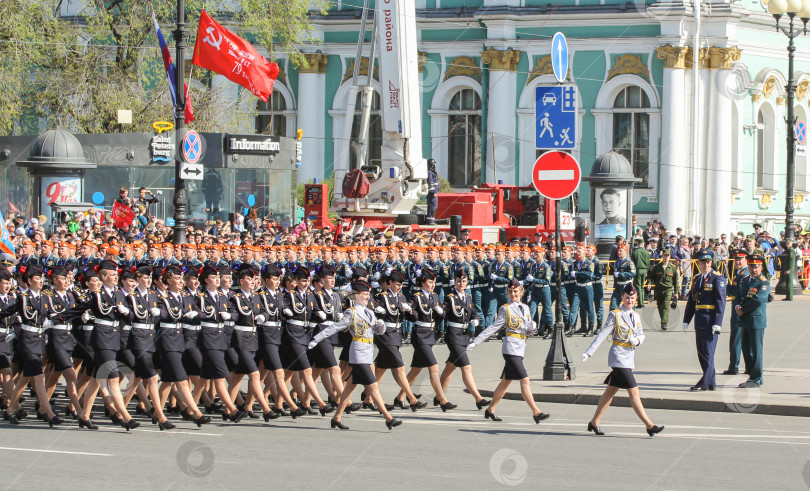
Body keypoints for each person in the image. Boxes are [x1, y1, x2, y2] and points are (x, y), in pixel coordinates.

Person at [308, 280, 403, 431]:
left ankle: (336, 418)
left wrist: (381, 326)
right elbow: (335, 327)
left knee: (349, 388)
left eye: (368, 294)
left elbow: (378, 332)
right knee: (372, 386)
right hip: (358, 353)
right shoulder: (351, 312)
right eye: (365, 295)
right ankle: (388, 418)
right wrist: (316, 339)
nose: (367, 297)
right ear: (356, 295)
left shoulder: (369, 312)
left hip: (368, 351)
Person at [581, 283, 664, 437]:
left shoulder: (637, 316)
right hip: (618, 358)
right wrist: (589, 352)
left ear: (636, 298)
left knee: (609, 394)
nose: (630, 301)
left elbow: (641, 334)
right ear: (622, 298)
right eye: (627, 298)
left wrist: (637, 341)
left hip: (629, 357)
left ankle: (594, 422)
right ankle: (649, 425)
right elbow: (602, 334)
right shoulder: (616, 314)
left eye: (632, 298)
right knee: (634, 392)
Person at [466, 279, 551, 424]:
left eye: (515, 291)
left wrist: (533, 327)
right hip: (510, 348)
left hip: (521, 346)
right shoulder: (505, 309)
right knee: (524, 379)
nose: (513, 294)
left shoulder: (525, 307)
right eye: (510, 292)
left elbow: (528, 330)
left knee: (506, 382)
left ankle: (490, 409)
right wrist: (476, 341)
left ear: (521, 292)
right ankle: (536, 412)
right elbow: (494, 327)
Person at [437, 269, 490, 409]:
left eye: (464, 281)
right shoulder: (450, 297)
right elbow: (443, 312)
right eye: (459, 281)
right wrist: (440, 311)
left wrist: (476, 319)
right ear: (454, 282)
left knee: (450, 367)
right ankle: (478, 398)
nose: (461, 283)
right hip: (454, 335)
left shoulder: (467, 296)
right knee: (466, 367)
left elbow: (473, 313)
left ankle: (438, 396)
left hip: (464, 335)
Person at [682, 249, 727, 392]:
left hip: (710, 321)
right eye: (702, 262)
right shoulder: (697, 278)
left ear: (711, 262)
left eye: (708, 262)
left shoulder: (717, 278)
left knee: (708, 353)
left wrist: (718, 323)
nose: (705, 264)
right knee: (702, 353)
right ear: (699, 263)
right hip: (700, 320)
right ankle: (712, 383)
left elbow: (721, 302)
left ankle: (703, 383)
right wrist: (686, 320)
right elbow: (692, 301)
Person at [734, 254, 769, 388]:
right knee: (746, 347)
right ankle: (752, 374)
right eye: (751, 266)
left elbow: (758, 300)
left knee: (756, 349)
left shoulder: (763, 282)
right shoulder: (745, 280)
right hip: (744, 318)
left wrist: (743, 309)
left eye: (756, 266)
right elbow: (738, 295)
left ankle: (756, 377)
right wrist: (737, 306)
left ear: (761, 267)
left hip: (755, 319)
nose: (754, 269)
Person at [723, 251, 748, 375]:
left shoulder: (744, 274)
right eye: (736, 259)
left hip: (739, 311)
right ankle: (748, 366)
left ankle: (734, 367)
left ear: (746, 260)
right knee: (745, 341)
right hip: (743, 311)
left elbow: (738, 292)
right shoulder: (741, 273)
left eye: (740, 259)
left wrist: (724, 286)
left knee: (736, 340)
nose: (737, 262)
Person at [647, 249, 680, 330]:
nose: (666, 257)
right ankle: (663, 319)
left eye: (667, 256)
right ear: (662, 256)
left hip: (668, 289)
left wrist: (676, 292)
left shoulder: (672, 268)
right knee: (659, 306)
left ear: (670, 257)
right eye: (665, 255)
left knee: (665, 305)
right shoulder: (657, 267)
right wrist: (649, 283)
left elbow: (676, 281)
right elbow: (651, 277)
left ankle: (664, 323)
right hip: (658, 289)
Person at [631, 237, 650, 308]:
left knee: (638, 286)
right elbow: (648, 262)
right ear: (643, 244)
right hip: (644, 269)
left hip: (638, 269)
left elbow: (632, 262)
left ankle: (640, 302)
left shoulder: (635, 252)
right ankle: (642, 302)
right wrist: (647, 270)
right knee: (642, 286)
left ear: (638, 244)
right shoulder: (646, 252)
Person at [425, 159, 439, 225]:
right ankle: (430, 220)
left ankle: (432, 219)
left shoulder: (432, 172)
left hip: (434, 192)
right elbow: (430, 183)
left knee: (434, 206)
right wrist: (433, 192)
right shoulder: (430, 172)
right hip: (432, 193)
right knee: (432, 206)